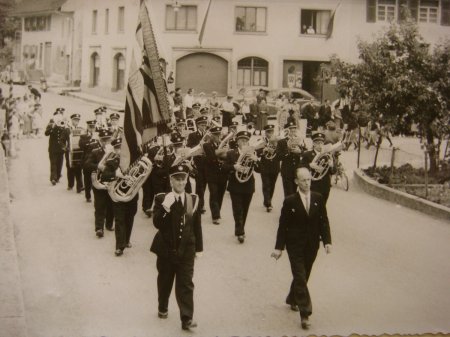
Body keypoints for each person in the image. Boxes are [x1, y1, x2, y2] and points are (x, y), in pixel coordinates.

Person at [271, 167, 331, 330]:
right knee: (300, 275)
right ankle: (305, 313)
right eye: (303, 180)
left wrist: (327, 241)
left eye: (309, 179)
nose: (307, 182)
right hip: (294, 245)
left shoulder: (318, 198)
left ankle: (292, 298)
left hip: (312, 245)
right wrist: (279, 248)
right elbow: (283, 226)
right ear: (297, 182)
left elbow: (323, 221)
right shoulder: (290, 201)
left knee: (304, 275)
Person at [150, 163, 203, 331]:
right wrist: (166, 206)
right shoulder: (161, 198)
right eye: (177, 179)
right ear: (171, 181)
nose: (181, 183)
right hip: (166, 249)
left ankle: (187, 318)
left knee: (186, 283)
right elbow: (157, 223)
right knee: (165, 281)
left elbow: (196, 226)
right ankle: (162, 306)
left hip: (186, 248)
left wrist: (199, 248)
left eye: (183, 179)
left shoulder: (193, 199)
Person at [224, 130, 259, 243]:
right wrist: (234, 167)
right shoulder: (231, 153)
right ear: (237, 142)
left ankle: (240, 228)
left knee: (245, 209)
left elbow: (260, 169)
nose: (244, 142)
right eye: (242, 140)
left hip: (248, 185)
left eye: (246, 140)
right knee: (237, 209)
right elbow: (224, 168)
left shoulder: (253, 153)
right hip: (235, 185)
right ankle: (240, 232)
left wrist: (256, 160)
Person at [85, 129, 115, 237]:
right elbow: (87, 165)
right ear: (100, 141)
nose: (106, 143)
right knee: (99, 206)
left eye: (108, 140)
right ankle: (99, 228)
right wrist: (98, 166)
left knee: (111, 205)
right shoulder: (95, 152)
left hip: (111, 182)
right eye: (103, 141)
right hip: (99, 182)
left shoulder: (115, 153)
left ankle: (109, 224)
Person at [299, 132, 336, 205]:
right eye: (318, 143)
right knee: (313, 205)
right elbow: (300, 167)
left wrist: (332, 166)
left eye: (322, 143)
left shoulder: (328, 155)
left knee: (323, 204)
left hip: (325, 185)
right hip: (313, 185)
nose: (320, 145)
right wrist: (310, 165)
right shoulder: (307, 154)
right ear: (313, 144)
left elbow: (334, 172)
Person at [202, 126, 228, 224]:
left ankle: (217, 212)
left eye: (219, 134)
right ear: (211, 135)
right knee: (214, 194)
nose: (218, 136)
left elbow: (228, 157)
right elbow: (212, 158)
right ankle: (215, 216)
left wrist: (221, 152)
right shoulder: (207, 145)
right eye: (216, 135)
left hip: (222, 174)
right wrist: (222, 151)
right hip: (211, 174)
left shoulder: (224, 144)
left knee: (220, 194)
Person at [186, 116, 209, 214]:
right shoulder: (192, 135)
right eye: (201, 125)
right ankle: (200, 205)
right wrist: (198, 145)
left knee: (204, 185)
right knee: (199, 185)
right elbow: (189, 147)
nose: (204, 126)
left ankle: (201, 203)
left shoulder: (208, 135)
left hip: (206, 162)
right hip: (197, 162)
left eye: (205, 124)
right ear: (198, 125)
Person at [257, 124, 280, 212]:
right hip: (265, 166)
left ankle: (267, 200)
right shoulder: (261, 141)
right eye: (268, 132)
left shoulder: (278, 141)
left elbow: (282, 153)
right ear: (265, 133)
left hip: (275, 166)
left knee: (272, 185)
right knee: (266, 185)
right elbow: (256, 152)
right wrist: (263, 150)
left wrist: (275, 150)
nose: (270, 134)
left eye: (271, 132)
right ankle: (268, 203)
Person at [45, 110, 68, 185]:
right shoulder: (51, 123)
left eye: (60, 114)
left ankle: (57, 176)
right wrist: (52, 127)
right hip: (53, 148)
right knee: (53, 163)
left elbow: (67, 133)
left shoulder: (64, 122)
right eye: (58, 114)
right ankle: (53, 178)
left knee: (59, 163)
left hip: (60, 148)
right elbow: (46, 133)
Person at [79, 120, 98, 202]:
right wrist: (91, 139)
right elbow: (82, 146)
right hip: (86, 161)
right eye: (90, 127)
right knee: (87, 180)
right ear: (87, 127)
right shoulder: (83, 136)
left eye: (93, 127)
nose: (92, 129)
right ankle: (88, 195)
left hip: (95, 161)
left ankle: (96, 196)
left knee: (96, 179)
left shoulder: (98, 136)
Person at [65, 113, 85, 193]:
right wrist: (65, 147)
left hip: (78, 151)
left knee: (78, 168)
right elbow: (62, 140)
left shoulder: (81, 129)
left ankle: (79, 187)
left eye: (77, 120)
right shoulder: (67, 129)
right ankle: (70, 184)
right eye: (75, 120)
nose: (76, 121)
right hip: (70, 151)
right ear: (72, 120)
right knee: (70, 168)